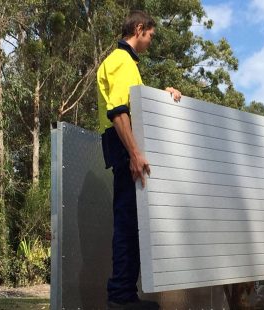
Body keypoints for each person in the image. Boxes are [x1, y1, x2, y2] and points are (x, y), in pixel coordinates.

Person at [97, 10, 181, 310]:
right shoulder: (120, 61)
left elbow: (138, 107)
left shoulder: (128, 65)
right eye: (150, 36)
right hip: (124, 147)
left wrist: (166, 96)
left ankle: (125, 294)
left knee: (132, 223)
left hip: (126, 146)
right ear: (139, 28)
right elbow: (119, 111)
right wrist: (134, 153)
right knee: (127, 223)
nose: (150, 42)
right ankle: (120, 296)